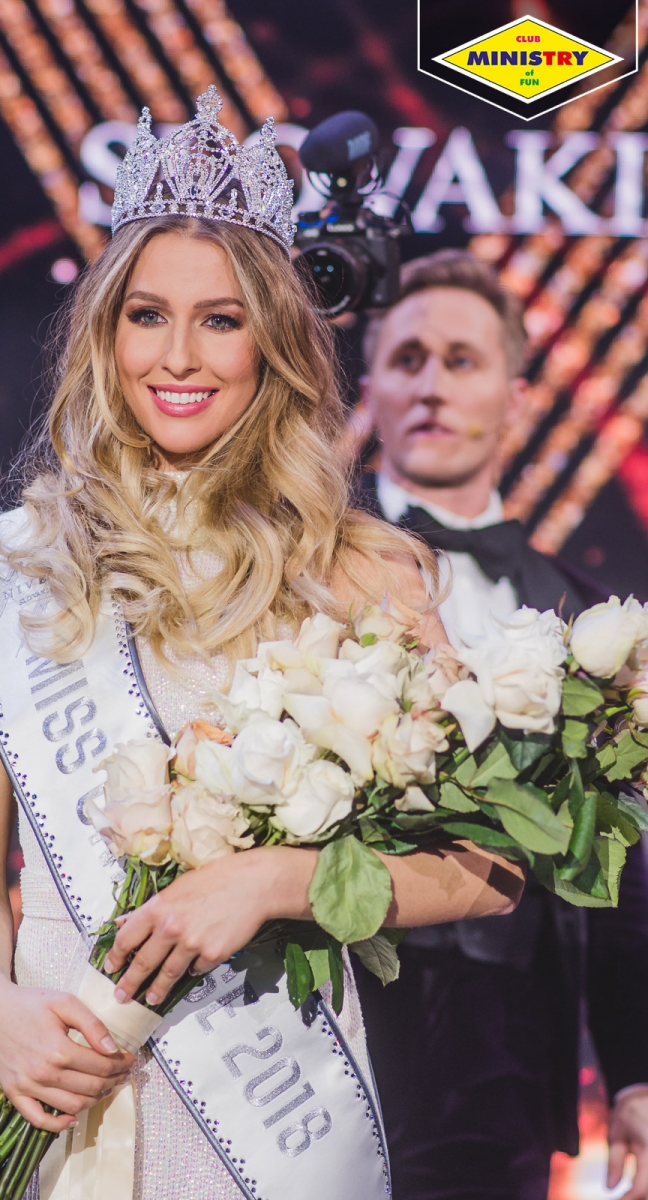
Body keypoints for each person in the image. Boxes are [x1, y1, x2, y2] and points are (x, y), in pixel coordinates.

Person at [0, 96, 523, 1200]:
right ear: (105, 336)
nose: (178, 356)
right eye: (147, 315)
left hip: (272, 1107)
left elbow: (489, 871)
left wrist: (271, 880)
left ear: (272, 343)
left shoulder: (358, 571)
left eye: (221, 319)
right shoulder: (20, 566)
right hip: (57, 1080)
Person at [354, 247, 648, 1200]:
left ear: (515, 398)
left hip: (506, 1060)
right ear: (370, 388)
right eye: (406, 360)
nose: (431, 386)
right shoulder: (294, 568)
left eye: (461, 360)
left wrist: (634, 1070)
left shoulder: (587, 621)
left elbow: (619, 868)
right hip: (327, 1029)